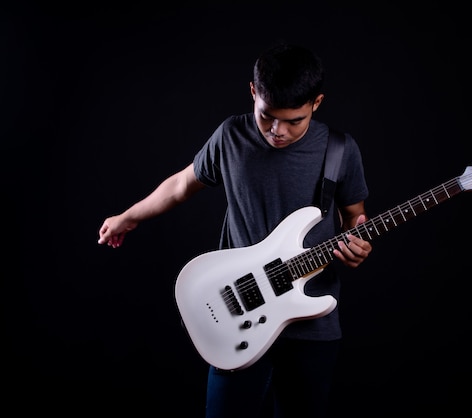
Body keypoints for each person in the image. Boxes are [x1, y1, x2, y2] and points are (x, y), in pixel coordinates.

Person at [97, 43, 372, 418]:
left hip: (312, 325)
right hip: (239, 312)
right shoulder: (231, 137)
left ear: (317, 103)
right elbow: (180, 185)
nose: (278, 131)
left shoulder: (341, 149)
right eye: (267, 117)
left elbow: (356, 217)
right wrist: (128, 216)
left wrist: (359, 244)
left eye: (295, 120)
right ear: (253, 92)